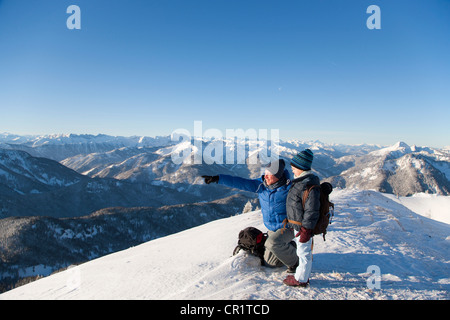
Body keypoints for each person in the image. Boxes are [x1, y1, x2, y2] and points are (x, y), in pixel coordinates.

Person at [202, 159, 298, 271]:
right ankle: (289, 247)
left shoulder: (290, 189)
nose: (265, 177)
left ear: (279, 176)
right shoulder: (261, 186)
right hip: (272, 229)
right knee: (270, 263)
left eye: (269, 175)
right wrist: (218, 178)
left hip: (288, 227)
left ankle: (296, 263)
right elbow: (241, 183)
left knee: (273, 244)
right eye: (265, 173)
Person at [283, 149, 321, 287]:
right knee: (301, 251)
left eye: (294, 168)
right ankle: (300, 275)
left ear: (301, 168)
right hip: (298, 225)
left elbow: (312, 210)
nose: (292, 171)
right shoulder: (302, 181)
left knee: (304, 252)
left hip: (303, 227)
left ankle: (301, 279)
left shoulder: (308, 184)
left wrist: (306, 229)